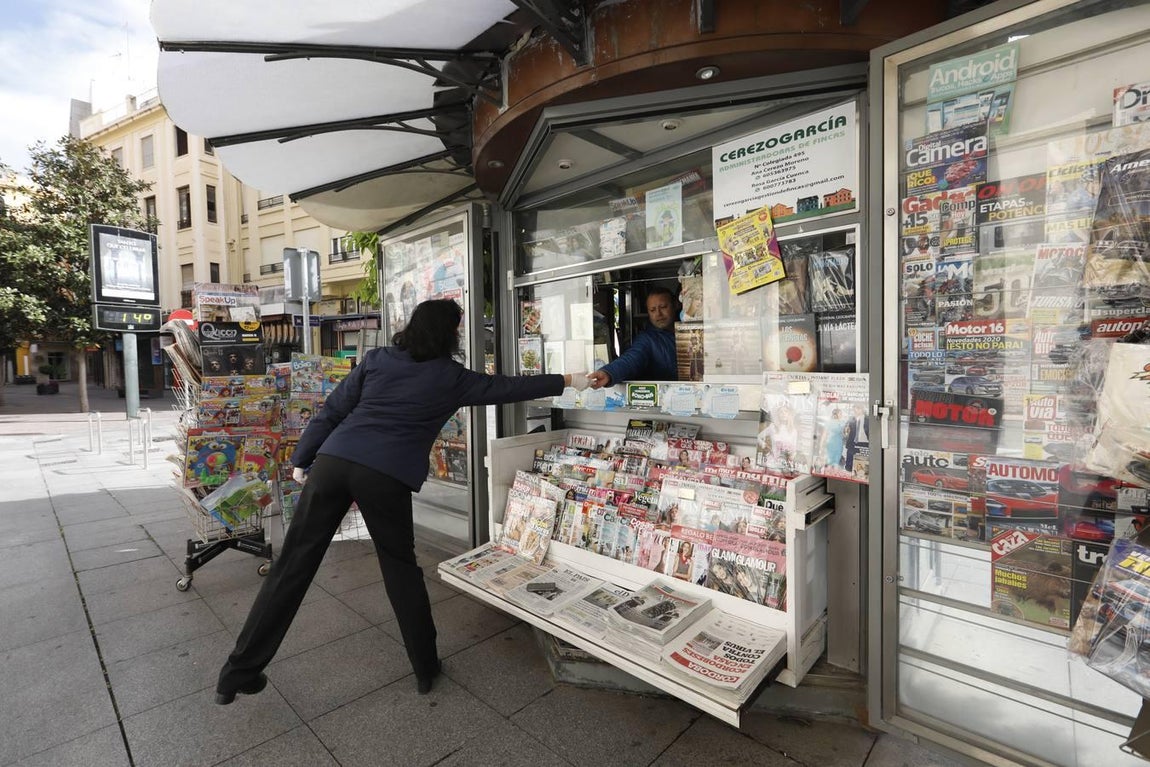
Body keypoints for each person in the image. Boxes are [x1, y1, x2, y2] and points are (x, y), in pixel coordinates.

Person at [214, 299, 588, 703]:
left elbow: (334, 409)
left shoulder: (378, 360)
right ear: (450, 333)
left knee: (291, 567)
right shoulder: (451, 377)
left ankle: (237, 673)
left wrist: (302, 458)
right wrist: (570, 378)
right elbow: (510, 388)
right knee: (400, 570)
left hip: (333, 464)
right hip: (385, 477)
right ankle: (425, 668)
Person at [588, 286, 678, 388]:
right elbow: (631, 359)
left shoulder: (693, 331)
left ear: (675, 305)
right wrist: (608, 373)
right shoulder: (647, 339)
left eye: (663, 307)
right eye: (652, 310)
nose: (658, 314)